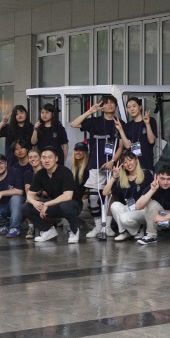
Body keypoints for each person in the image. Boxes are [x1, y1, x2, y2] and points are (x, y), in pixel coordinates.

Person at [73, 96, 123, 235]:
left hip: (113, 165)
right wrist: (90, 112)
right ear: (102, 107)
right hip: (95, 164)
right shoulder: (94, 121)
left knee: (110, 196)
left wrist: (113, 161)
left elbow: (121, 146)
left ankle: (106, 225)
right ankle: (97, 226)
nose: (109, 106)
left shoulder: (119, 122)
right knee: (94, 197)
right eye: (106, 103)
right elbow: (74, 124)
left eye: (112, 103)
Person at [27, 146, 82, 244]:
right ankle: (48, 230)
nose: (46, 160)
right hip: (55, 204)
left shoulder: (65, 172)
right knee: (26, 207)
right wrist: (35, 202)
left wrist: (47, 204)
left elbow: (67, 196)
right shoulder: (40, 174)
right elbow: (29, 195)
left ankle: (74, 230)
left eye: (50, 157)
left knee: (66, 205)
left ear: (56, 159)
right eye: (44, 157)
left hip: (72, 205)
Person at [133, 165, 170, 245]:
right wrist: (152, 190)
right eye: (162, 178)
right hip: (157, 221)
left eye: (169, 179)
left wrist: (164, 218)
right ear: (156, 177)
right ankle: (151, 235)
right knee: (150, 203)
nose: (165, 182)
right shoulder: (152, 186)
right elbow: (137, 206)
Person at [105, 151, 152, 241]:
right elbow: (105, 193)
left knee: (124, 217)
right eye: (125, 162)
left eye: (130, 160)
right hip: (130, 208)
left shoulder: (146, 174)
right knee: (114, 206)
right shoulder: (122, 178)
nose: (128, 164)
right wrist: (114, 177)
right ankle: (127, 232)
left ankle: (137, 229)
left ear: (136, 160)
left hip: (143, 209)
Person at [117, 96, 158, 172]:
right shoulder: (127, 126)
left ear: (140, 107)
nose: (131, 109)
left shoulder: (150, 120)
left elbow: (151, 141)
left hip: (146, 163)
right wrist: (120, 129)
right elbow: (127, 146)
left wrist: (147, 124)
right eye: (129, 107)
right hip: (132, 165)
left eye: (134, 106)